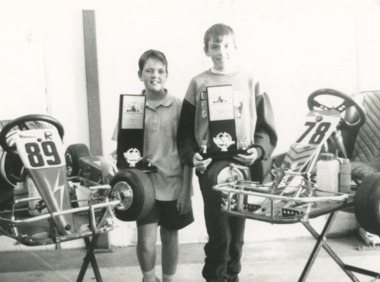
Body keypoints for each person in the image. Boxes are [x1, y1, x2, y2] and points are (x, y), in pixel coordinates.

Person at [177, 23, 277, 282]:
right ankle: (216, 276)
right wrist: (192, 156)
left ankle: (231, 275)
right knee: (219, 231)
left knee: (237, 229)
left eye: (225, 45)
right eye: (214, 46)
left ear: (235, 47)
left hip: (242, 161)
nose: (220, 51)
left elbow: (265, 128)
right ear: (206, 50)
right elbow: (185, 132)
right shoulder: (197, 83)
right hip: (210, 163)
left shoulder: (252, 80)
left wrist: (257, 150)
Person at [101, 49, 194, 282]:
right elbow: (122, 149)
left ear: (167, 74)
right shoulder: (132, 106)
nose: (155, 75)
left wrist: (186, 190)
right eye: (149, 70)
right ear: (140, 74)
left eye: (160, 71)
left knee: (171, 236)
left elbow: (188, 150)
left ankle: (169, 279)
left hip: (174, 183)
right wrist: (106, 159)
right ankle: (149, 278)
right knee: (145, 239)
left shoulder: (179, 106)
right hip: (144, 186)